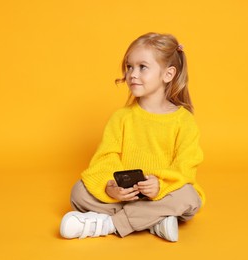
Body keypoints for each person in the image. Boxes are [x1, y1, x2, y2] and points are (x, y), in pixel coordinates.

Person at [60, 32, 205, 242]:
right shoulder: (121, 117)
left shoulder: (184, 121)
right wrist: (111, 187)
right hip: (125, 194)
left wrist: (160, 186)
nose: (132, 74)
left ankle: (109, 224)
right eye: (129, 67)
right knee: (79, 192)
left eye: (142, 67)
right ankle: (154, 220)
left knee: (190, 197)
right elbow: (106, 157)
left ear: (168, 74)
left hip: (160, 194)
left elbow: (185, 167)